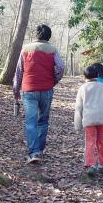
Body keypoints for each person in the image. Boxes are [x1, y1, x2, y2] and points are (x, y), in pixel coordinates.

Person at [13, 24, 64, 163]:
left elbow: (19, 71)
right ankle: (39, 150)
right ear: (49, 36)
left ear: (37, 35)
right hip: (46, 89)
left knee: (30, 122)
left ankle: (33, 152)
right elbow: (60, 67)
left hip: (29, 89)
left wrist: (16, 90)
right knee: (43, 120)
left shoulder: (26, 49)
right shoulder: (53, 50)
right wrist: (54, 80)